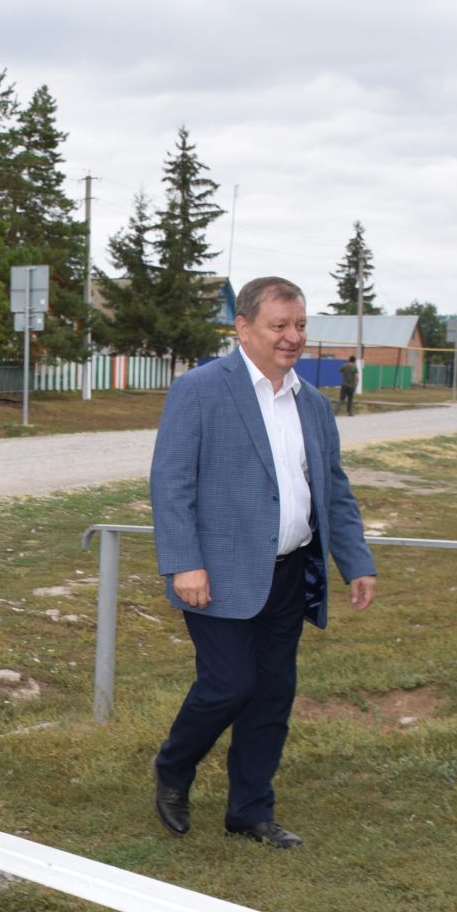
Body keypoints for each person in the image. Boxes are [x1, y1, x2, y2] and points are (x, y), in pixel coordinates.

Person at [149, 276, 376, 849]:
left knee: (272, 695)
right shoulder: (201, 389)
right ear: (243, 328)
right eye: (279, 325)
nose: (293, 337)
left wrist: (357, 561)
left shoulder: (314, 405)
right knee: (228, 684)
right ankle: (174, 767)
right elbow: (171, 482)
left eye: (300, 325)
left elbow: (333, 488)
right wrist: (184, 562)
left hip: (289, 572)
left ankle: (250, 810)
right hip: (216, 573)